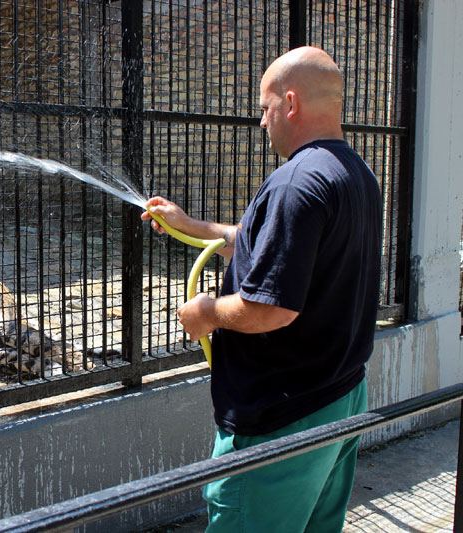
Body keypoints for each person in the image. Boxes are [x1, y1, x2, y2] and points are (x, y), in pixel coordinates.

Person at [141, 46, 382, 532]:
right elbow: (268, 249)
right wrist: (189, 224)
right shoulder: (356, 174)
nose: (262, 121)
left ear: (290, 104)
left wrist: (206, 313)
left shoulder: (295, 183)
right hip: (338, 396)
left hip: (282, 416)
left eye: (264, 107)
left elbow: (271, 309)